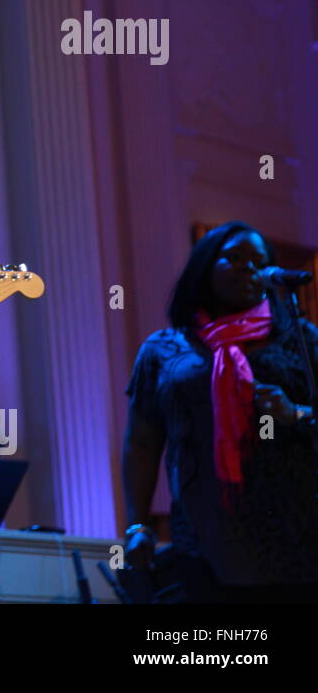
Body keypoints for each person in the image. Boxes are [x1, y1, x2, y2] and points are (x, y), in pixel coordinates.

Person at [122, 221, 318, 603]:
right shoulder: (165, 350)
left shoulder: (301, 339)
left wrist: (294, 413)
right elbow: (142, 443)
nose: (249, 267)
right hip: (206, 531)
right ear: (204, 266)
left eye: (259, 261)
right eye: (235, 257)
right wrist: (137, 524)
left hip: (298, 529)